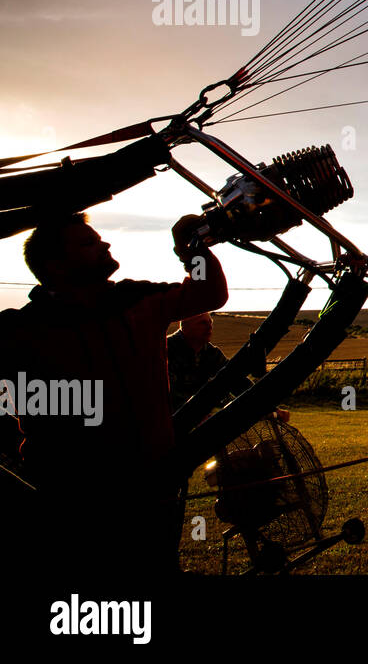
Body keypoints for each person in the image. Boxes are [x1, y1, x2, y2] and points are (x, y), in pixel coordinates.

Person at [0, 211, 227, 574]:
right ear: (56, 267)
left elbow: (209, 292)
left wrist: (193, 250)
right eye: (88, 243)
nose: (104, 243)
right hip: (73, 497)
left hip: (152, 485)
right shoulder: (21, 329)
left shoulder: (136, 298)